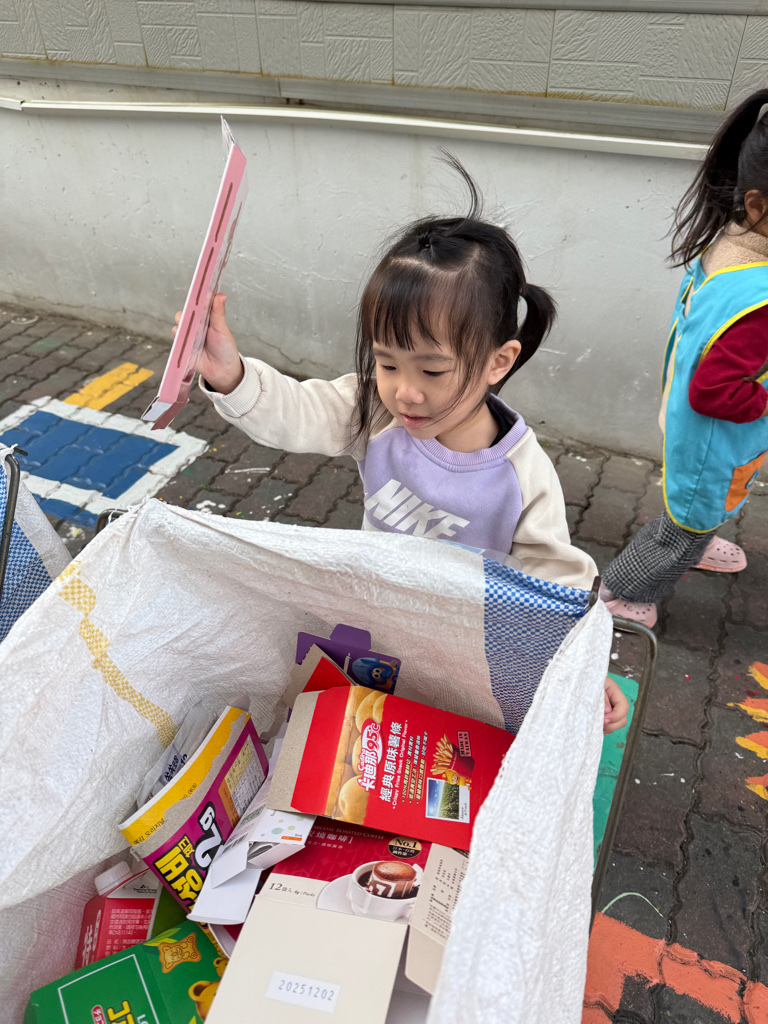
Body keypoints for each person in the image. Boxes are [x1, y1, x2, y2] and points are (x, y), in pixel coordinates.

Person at [177, 157, 628, 733]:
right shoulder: (374, 411)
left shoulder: (522, 473)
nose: (405, 392)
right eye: (387, 363)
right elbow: (295, 411)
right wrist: (231, 375)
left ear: (499, 362)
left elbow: (557, 585)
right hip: (376, 627)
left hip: (463, 654)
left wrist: (583, 667)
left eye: (433, 371)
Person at [601, 90, 768, 627]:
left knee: (702, 505)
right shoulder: (761, 300)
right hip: (713, 439)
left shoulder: (730, 241)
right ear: (758, 205)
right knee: (683, 526)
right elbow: (715, 389)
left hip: (696, 427)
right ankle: (622, 594)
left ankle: (701, 536)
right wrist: (763, 403)